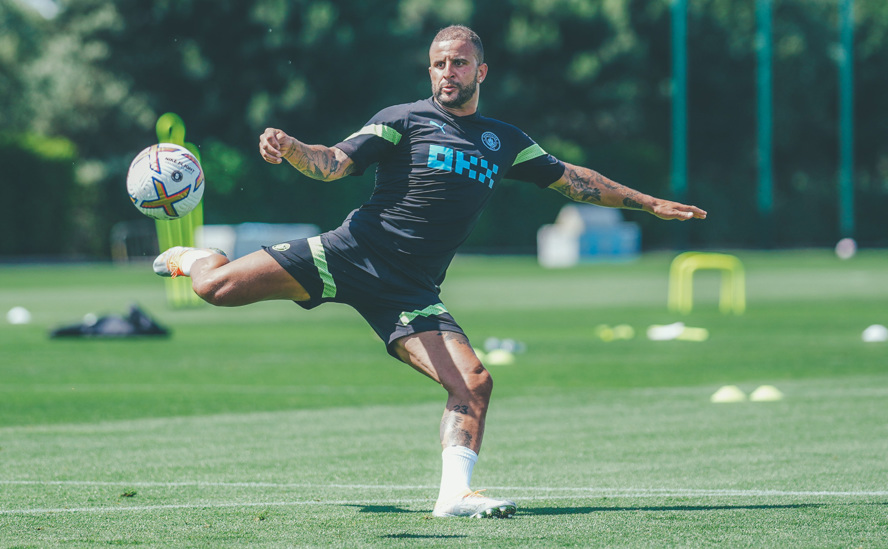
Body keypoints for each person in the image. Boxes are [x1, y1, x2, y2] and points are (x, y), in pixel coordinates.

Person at [153, 25, 706, 519]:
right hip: (347, 253)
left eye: (459, 62)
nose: (448, 72)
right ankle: (192, 257)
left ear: (480, 71)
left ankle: (453, 496)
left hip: (410, 291)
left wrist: (648, 203)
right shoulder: (402, 120)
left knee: (474, 384)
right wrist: (292, 147)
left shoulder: (503, 141)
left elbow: (573, 179)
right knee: (213, 289)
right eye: (439, 63)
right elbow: (333, 164)